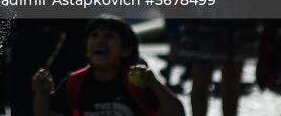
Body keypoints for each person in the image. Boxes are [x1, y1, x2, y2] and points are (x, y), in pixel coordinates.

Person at [32, 15, 184, 116]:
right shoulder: (75, 82)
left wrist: (154, 84)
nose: (100, 41)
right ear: (86, 50)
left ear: (126, 50)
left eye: (109, 36)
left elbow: (178, 113)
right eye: (94, 36)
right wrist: (42, 94)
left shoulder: (138, 82)